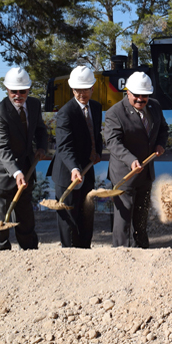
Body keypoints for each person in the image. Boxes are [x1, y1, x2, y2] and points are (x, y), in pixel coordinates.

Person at [0, 67, 47, 250]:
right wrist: (16, 172)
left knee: (25, 218)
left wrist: (42, 147)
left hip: (25, 170)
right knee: (0, 222)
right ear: (7, 90)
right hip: (0, 174)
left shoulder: (34, 105)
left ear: (28, 90)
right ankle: (0, 257)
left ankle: (30, 254)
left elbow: (41, 129)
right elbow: (2, 148)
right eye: (14, 91)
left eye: (22, 91)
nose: (18, 95)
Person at [103, 72, 168, 248]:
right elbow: (113, 142)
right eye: (136, 95)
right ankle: (121, 252)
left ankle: (141, 249)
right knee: (123, 219)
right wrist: (130, 159)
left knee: (141, 216)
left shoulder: (154, 107)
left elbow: (163, 129)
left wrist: (160, 144)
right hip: (124, 175)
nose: (140, 99)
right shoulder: (114, 112)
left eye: (144, 95)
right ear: (128, 92)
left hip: (146, 174)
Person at [48, 65, 102, 248]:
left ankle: (85, 248)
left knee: (86, 213)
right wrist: (74, 168)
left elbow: (96, 134)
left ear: (92, 88)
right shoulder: (65, 113)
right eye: (78, 90)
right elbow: (64, 146)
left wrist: (98, 152)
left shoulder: (95, 107)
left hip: (87, 170)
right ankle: (70, 252)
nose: (81, 94)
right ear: (72, 90)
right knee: (69, 216)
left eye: (85, 89)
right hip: (67, 173)